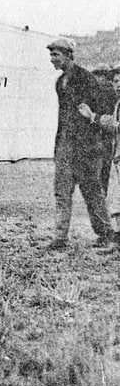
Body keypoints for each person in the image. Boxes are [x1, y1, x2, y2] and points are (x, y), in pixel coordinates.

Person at [50, 38, 113, 250]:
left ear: (68, 55)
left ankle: (105, 233)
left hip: (86, 148)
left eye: (56, 55)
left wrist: (91, 120)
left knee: (92, 192)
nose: (52, 60)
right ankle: (60, 238)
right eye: (51, 55)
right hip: (65, 146)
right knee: (61, 192)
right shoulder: (60, 82)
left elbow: (101, 111)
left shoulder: (86, 78)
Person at [91, 63, 116, 196]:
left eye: (97, 75)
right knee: (104, 163)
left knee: (100, 162)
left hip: (101, 129)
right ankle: (101, 190)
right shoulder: (112, 89)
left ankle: (100, 191)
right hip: (107, 131)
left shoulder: (102, 90)